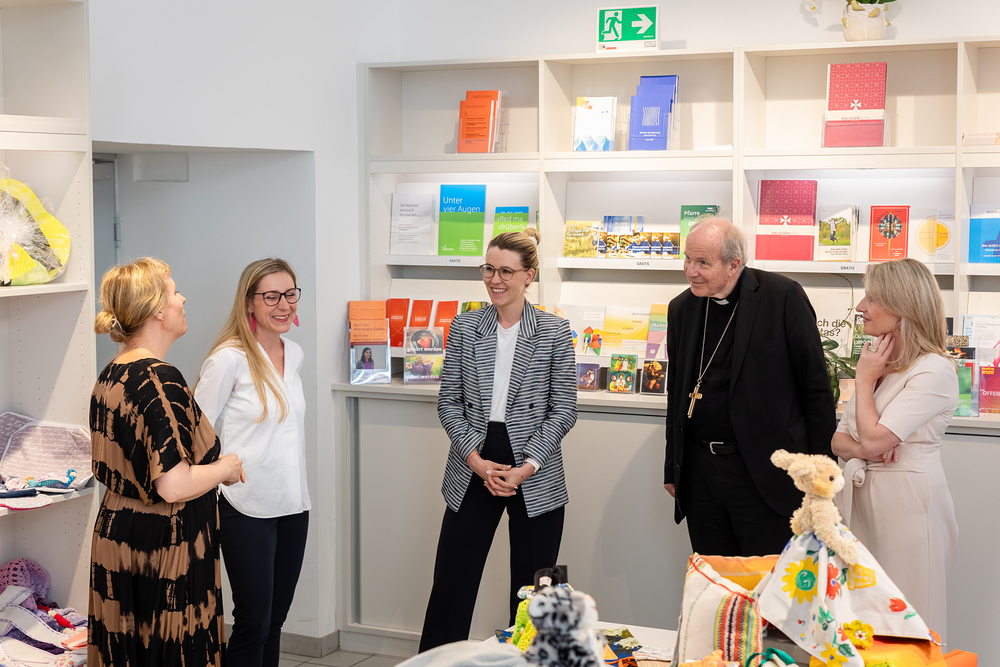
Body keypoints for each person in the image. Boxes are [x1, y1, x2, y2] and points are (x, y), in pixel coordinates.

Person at [418, 228, 577, 652]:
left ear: (529, 275)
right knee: (451, 584)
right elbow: (449, 403)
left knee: (538, 596)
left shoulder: (555, 331)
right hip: (474, 462)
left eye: (506, 271)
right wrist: (475, 461)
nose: (495, 279)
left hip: (535, 472)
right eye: (489, 269)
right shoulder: (466, 326)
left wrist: (526, 467)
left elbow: (564, 409)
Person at [89, 258, 244, 667]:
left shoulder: (110, 374)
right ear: (157, 308)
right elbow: (173, 484)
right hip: (164, 545)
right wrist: (226, 468)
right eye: (175, 292)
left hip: (117, 536)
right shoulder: (161, 379)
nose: (183, 299)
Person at [664, 219, 835, 557]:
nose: (690, 271)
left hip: (764, 473)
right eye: (687, 259)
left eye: (702, 263)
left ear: (733, 264)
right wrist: (673, 467)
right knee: (716, 578)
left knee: (770, 578)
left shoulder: (782, 297)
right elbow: (677, 393)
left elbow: (815, 389)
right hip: (701, 474)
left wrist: (822, 472)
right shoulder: (681, 308)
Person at [832, 258, 958, 641]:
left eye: (872, 298)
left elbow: (870, 439)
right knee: (864, 621)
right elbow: (839, 440)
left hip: (907, 508)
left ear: (902, 306)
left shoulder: (933, 370)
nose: (861, 307)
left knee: (909, 620)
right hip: (865, 503)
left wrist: (864, 382)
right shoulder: (881, 364)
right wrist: (867, 447)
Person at [195, 258, 310, 667]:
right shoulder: (229, 359)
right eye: (272, 296)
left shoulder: (294, 353)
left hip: (293, 505)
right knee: (253, 624)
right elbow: (194, 433)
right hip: (244, 507)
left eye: (290, 294)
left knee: (275, 622)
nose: (284, 305)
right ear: (249, 303)